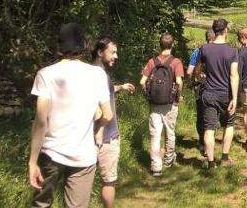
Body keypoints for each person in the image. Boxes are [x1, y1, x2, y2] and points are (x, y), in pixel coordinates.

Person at [28, 23, 112, 208]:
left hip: (51, 153)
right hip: (84, 156)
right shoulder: (97, 74)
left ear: (59, 46)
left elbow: (41, 121)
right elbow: (107, 114)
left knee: (41, 205)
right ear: (83, 46)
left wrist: (32, 162)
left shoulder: (46, 74)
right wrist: (95, 130)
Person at [91, 37, 135, 208]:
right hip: (106, 136)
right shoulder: (99, 74)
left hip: (88, 136)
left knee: (83, 181)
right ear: (100, 52)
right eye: (113, 52)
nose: (116, 56)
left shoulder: (91, 72)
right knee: (108, 181)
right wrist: (100, 128)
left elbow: (104, 92)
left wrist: (120, 87)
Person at [139, 32, 184, 176]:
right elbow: (179, 82)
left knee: (155, 134)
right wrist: (178, 95)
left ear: (160, 45)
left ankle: (156, 167)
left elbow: (142, 81)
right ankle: (168, 160)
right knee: (170, 132)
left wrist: (148, 94)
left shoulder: (152, 62)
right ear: (172, 45)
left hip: (155, 103)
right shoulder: (176, 62)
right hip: (170, 103)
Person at [198, 18, 239, 168]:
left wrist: (200, 78)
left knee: (209, 128)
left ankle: (210, 163)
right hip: (225, 95)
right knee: (228, 125)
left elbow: (198, 71)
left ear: (214, 30)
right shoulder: (232, 51)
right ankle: (224, 159)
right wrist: (234, 97)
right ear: (226, 30)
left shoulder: (205, 49)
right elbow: (233, 75)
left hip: (208, 94)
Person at [186, 28, 216, 154]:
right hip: (215, 86)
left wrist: (192, 81)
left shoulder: (197, 51)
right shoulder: (218, 51)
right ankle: (210, 142)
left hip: (199, 86)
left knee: (200, 114)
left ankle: (202, 143)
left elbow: (189, 71)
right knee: (211, 115)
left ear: (206, 37)